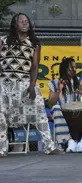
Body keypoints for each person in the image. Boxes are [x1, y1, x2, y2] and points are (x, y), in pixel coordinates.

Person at [0, 13, 62, 156]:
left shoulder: (34, 43)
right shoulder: (3, 41)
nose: (25, 23)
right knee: (1, 116)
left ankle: (49, 146)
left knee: (40, 113)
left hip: (24, 83)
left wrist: (32, 85)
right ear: (15, 24)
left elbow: (35, 66)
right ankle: (2, 149)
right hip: (4, 83)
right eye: (21, 21)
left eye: (26, 21)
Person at [48, 58, 82, 153]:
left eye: (75, 67)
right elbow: (51, 104)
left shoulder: (79, 81)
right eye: (71, 67)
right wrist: (59, 90)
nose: (74, 69)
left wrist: (81, 91)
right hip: (62, 115)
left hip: (78, 115)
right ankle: (68, 141)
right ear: (65, 69)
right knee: (56, 107)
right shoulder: (54, 83)